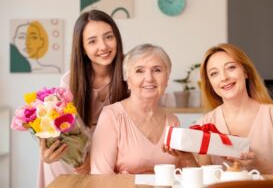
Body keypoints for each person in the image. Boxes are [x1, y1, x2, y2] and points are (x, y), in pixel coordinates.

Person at [164, 43, 273, 174]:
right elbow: (204, 179)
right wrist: (188, 158)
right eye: (214, 73)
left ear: (245, 72)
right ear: (210, 83)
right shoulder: (204, 125)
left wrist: (259, 165)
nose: (224, 77)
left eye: (231, 68)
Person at [37, 10, 129, 187]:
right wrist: (47, 151)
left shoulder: (130, 74)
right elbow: (60, 130)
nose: (103, 46)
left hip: (112, 153)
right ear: (83, 49)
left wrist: (94, 157)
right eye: (92, 41)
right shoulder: (69, 81)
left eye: (108, 37)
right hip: (73, 155)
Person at [90, 44, 183, 174]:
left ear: (167, 79)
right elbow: (100, 177)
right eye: (139, 71)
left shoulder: (173, 121)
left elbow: (182, 175)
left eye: (157, 70)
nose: (149, 78)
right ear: (127, 79)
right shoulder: (111, 116)